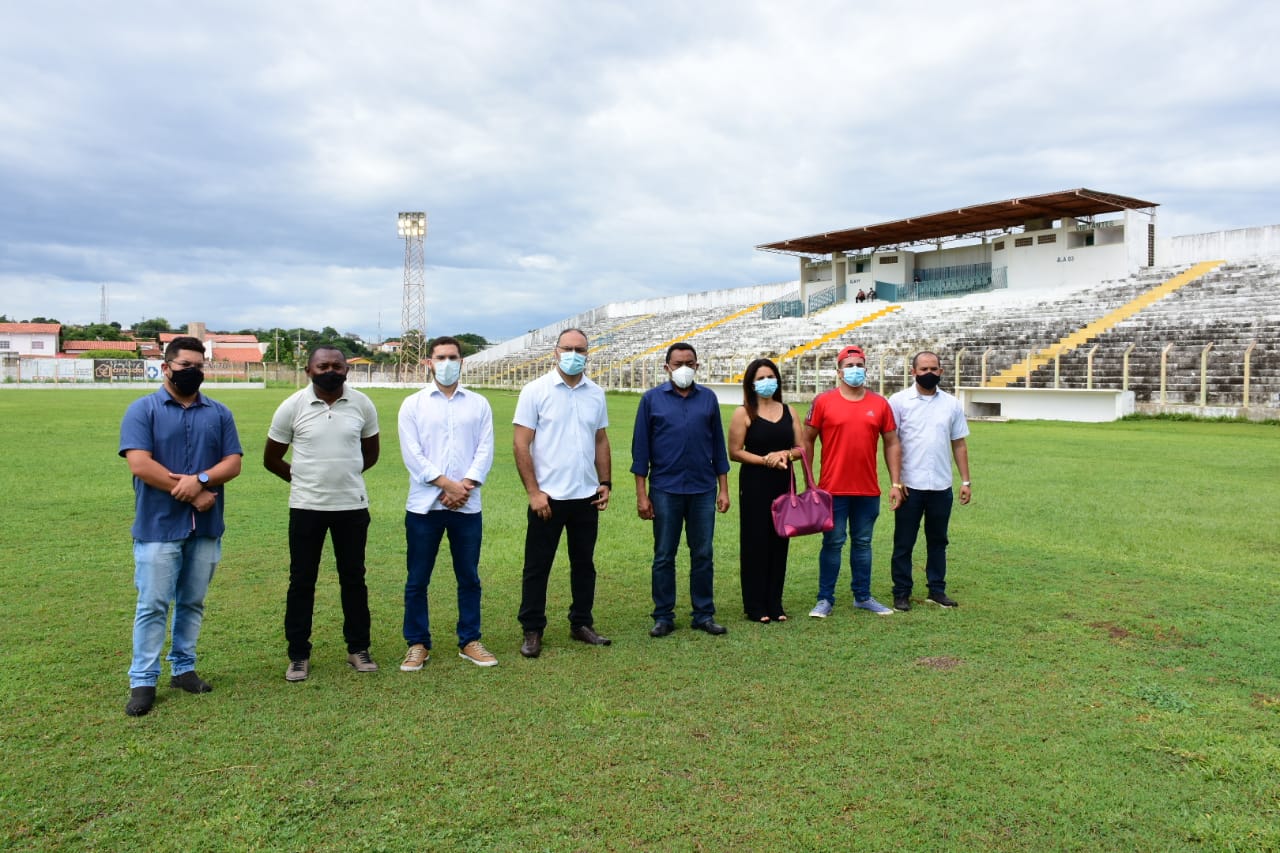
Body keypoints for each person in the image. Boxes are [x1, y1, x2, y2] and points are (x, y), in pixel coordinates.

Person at [119, 336, 243, 716]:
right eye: (185, 365)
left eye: (199, 366)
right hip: (158, 526)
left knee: (192, 602)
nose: (193, 372)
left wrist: (202, 480)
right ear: (166, 366)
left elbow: (233, 462)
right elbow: (140, 463)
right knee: (153, 604)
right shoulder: (143, 410)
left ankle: (183, 668)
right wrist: (190, 490)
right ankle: (143, 679)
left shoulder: (218, 413)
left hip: (205, 526)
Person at [264, 346, 381, 682]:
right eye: (323, 365)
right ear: (308, 370)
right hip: (306, 507)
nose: (331, 370)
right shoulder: (292, 406)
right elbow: (271, 458)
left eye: (337, 365)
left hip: (351, 506)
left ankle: (358, 648)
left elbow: (369, 454)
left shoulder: (362, 404)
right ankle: (298, 654)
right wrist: (304, 479)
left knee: (354, 579)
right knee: (302, 581)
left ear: (347, 370)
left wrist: (346, 476)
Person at [398, 336, 497, 669]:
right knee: (417, 579)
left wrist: (463, 487)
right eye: (440, 357)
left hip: (466, 507)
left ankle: (469, 640)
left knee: (468, 577)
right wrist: (445, 485)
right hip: (424, 508)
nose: (446, 363)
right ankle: (417, 643)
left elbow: (485, 450)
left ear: (462, 361)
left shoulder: (479, 404)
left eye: (453, 357)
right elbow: (413, 454)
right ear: (429, 362)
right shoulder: (413, 404)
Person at [513, 328, 613, 658]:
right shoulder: (535, 391)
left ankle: (581, 623)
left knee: (584, 564)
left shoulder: (595, 393)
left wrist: (605, 482)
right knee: (537, 566)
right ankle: (532, 629)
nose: (574, 354)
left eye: (580, 350)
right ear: (555, 352)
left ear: (588, 354)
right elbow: (521, 442)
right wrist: (533, 492)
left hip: (585, 495)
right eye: (568, 348)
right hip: (548, 497)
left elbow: (600, 439)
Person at [632, 342, 731, 637]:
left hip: (703, 489)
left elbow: (719, 448)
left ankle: (703, 614)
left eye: (690, 363)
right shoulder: (651, 400)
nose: (684, 368)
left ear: (697, 366)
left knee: (703, 553)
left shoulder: (709, 399)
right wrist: (642, 494)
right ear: (667, 367)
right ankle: (663, 615)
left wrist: (723, 489)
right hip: (665, 489)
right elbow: (641, 450)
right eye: (678, 363)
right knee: (664, 554)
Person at [803, 344, 902, 618]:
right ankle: (825, 599)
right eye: (849, 365)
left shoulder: (880, 404)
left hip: (867, 490)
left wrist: (895, 483)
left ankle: (863, 596)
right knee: (833, 543)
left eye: (859, 365)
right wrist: (809, 480)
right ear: (839, 371)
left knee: (863, 543)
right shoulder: (823, 402)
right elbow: (806, 440)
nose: (855, 370)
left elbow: (892, 442)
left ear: (866, 370)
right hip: (832, 490)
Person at [889, 351, 971, 610]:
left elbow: (959, 443)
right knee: (904, 542)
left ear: (941, 371)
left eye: (934, 369)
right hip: (909, 486)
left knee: (938, 541)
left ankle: (937, 589)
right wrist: (896, 482)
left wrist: (965, 481)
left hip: (941, 486)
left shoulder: (952, 404)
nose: (929, 373)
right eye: (923, 369)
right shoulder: (899, 401)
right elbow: (891, 443)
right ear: (913, 372)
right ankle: (901, 591)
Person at [727, 358, 804, 623]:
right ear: (750, 383)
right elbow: (734, 452)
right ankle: (755, 605)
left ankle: (775, 602)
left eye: (770, 376)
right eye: (760, 378)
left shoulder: (789, 411)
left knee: (780, 540)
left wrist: (785, 454)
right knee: (755, 541)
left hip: (783, 483)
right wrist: (765, 460)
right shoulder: (744, 413)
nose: (766, 382)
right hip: (755, 484)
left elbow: (800, 449)